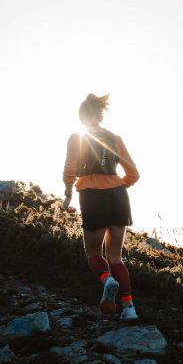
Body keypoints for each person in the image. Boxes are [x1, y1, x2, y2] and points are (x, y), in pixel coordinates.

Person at [63, 93, 141, 322]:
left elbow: (69, 172)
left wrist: (68, 195)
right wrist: (116, 185)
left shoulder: (77, 138)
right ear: (99, 115)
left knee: (93, 254)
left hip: (91, 196)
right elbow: (133, 174)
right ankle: (129, 308)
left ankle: (107, 280)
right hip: (118, 197)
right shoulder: (115, 138)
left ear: (81, 117)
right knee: (116, 257)